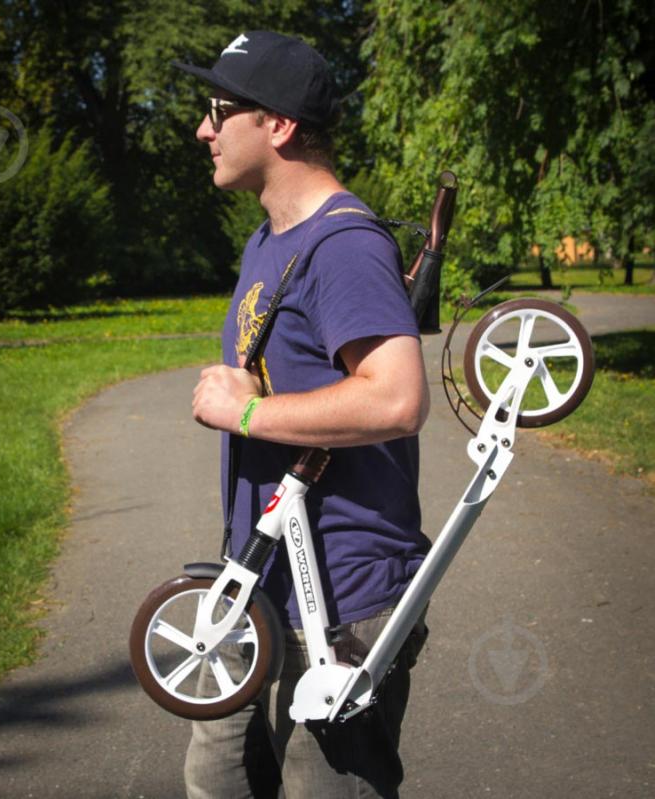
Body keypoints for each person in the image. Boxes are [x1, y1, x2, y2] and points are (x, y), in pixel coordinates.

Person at [174, 30, 431, 799]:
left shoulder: (342, 245)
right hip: (257, 576)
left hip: (342, 596)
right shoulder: (269, 237)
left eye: (220, 109)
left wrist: (248, 413)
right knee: (217, 775)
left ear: (278, 125)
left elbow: (396, 396)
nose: (203, 128)